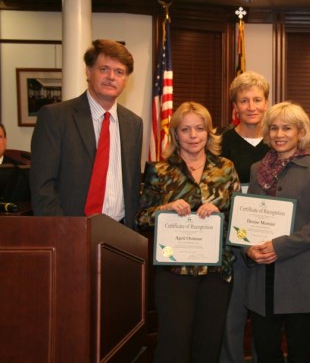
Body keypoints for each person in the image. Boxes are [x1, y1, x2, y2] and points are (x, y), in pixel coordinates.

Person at [136, 102, 241, 363]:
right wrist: (165, 209)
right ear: (175, 134)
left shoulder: (225, 168)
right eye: (185, 129)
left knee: (208, 342)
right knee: (174, 342)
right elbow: (140, 218)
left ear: (209, 132)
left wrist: (220, 214)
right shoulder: (159, 171)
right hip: (174, 271)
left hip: (216, 271)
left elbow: (240, 219)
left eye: (199, 128)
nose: (193, 135)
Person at [245, 101, 310, 363]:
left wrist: (279, 246)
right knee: (266, 349)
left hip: (300, 274)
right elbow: (247, 219)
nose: (279, 134)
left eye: (287, 128)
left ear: (300, 132)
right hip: (262, 276)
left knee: (301, 351)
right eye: (273, 128)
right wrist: (247, 248)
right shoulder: (256, 169)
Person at [30, 39, 143, 228]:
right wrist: (63, 231)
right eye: (104, 69)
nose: (111, 77)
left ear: (126, 80)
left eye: (119, 72)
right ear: (89, 71)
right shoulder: (55, 117)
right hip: (70, 231)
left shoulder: (134, 124)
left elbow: (132, 187)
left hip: (121, 233)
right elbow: (43, 187)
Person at [220, 71, 271, 363]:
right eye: (244, 100)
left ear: (266, 103)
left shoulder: (279, 141)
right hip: (232, 242)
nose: (251, 106)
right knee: (232, 316)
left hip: (269, 240)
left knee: (266, 316)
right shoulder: (219, 143)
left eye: (257, 99)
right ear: (235, 107)